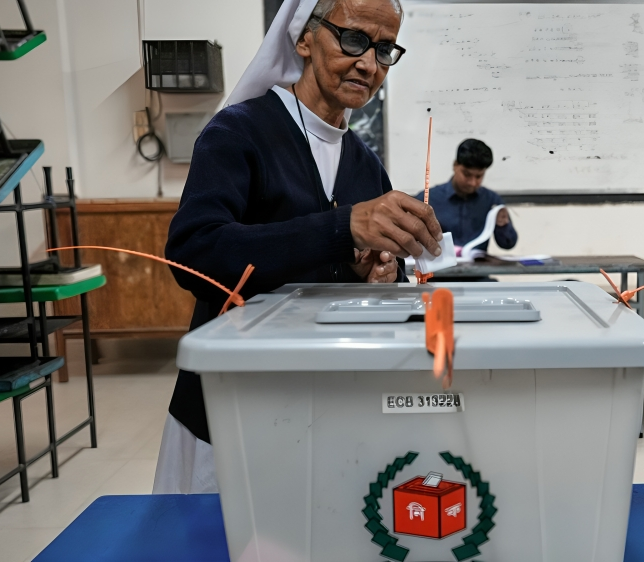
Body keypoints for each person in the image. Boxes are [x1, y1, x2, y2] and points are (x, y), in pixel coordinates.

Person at [153, 0, 443, 493]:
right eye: (352, 40)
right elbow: (192, 253)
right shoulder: (239, 133)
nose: (369, 63)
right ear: (303, 39)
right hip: (236, 406)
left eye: (384, 49)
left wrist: (378, 273)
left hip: (332, 402)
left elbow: (353, 268)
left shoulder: (365, 165)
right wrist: (340, 229)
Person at [427, 139, 517, 255]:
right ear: (455, 166)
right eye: (467, 174)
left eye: (479, 176)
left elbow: (508, 244)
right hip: (440, 271)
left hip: (477, 271)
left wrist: (503, 225)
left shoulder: (491, 200)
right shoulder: (429, 199)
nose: (473, 183)